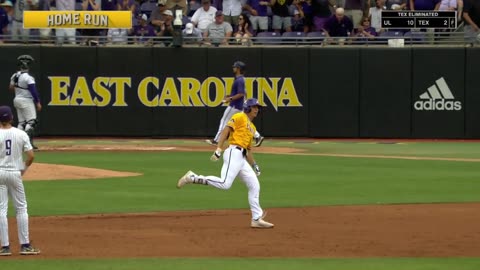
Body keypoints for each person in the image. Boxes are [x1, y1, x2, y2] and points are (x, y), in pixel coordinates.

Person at [177, 98, 274, 229]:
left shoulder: (252, 127)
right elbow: (225, 131)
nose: (257, 109)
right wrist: (218, 148)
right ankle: (192, 178)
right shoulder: (239, 116)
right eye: (254, 107)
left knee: (254, 185)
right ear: (248, 108)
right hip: (233, 153)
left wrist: (254, 165)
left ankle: (256, 218)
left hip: (242, 158)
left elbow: (248, 149)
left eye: (258, 107)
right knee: (224, 184)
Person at [0, 105, 40, 256]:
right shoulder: (21, 134)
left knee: (1, 209)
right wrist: (23, 169)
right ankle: (25, 245)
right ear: (11, 117)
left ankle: (5, 247)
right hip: (15, 173)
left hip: (0, 172)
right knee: (21, 208)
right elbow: (31, 156)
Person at [205, 61, 264, 147]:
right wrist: (231, 96)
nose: (233, 68)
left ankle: (217, 140)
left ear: (239, 69)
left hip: (235, 106)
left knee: (224, 121)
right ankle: (258, 136)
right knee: (245, 122)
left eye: (235, 67)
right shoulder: (240, 79)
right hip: (239, 105)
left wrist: (230, 98)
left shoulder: (239, 80)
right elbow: (244, 92)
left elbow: (241, 94)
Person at [9, 55, 41, 151]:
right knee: (31, 122)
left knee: (22, 123)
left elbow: (10, 88)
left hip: (17, 100)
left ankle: (16, 143)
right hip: (26, 100)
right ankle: (28, 144)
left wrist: (16, 84)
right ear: (28, 67)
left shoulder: (15, 76)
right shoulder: (28, 78)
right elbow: (33, 91)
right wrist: (38, 102)